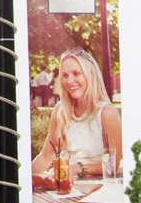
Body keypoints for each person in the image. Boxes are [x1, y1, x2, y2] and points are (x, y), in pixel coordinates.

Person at [29, 48, 121, 190]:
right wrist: (22, 177)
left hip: (96, 189)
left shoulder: (107, 114)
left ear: (90, 75)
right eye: (65, 76)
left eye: (76, 73)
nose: (69, 81)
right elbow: (46, 154)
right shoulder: (60, 110)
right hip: (65, 187)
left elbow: (112, 164)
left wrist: (77, 168)